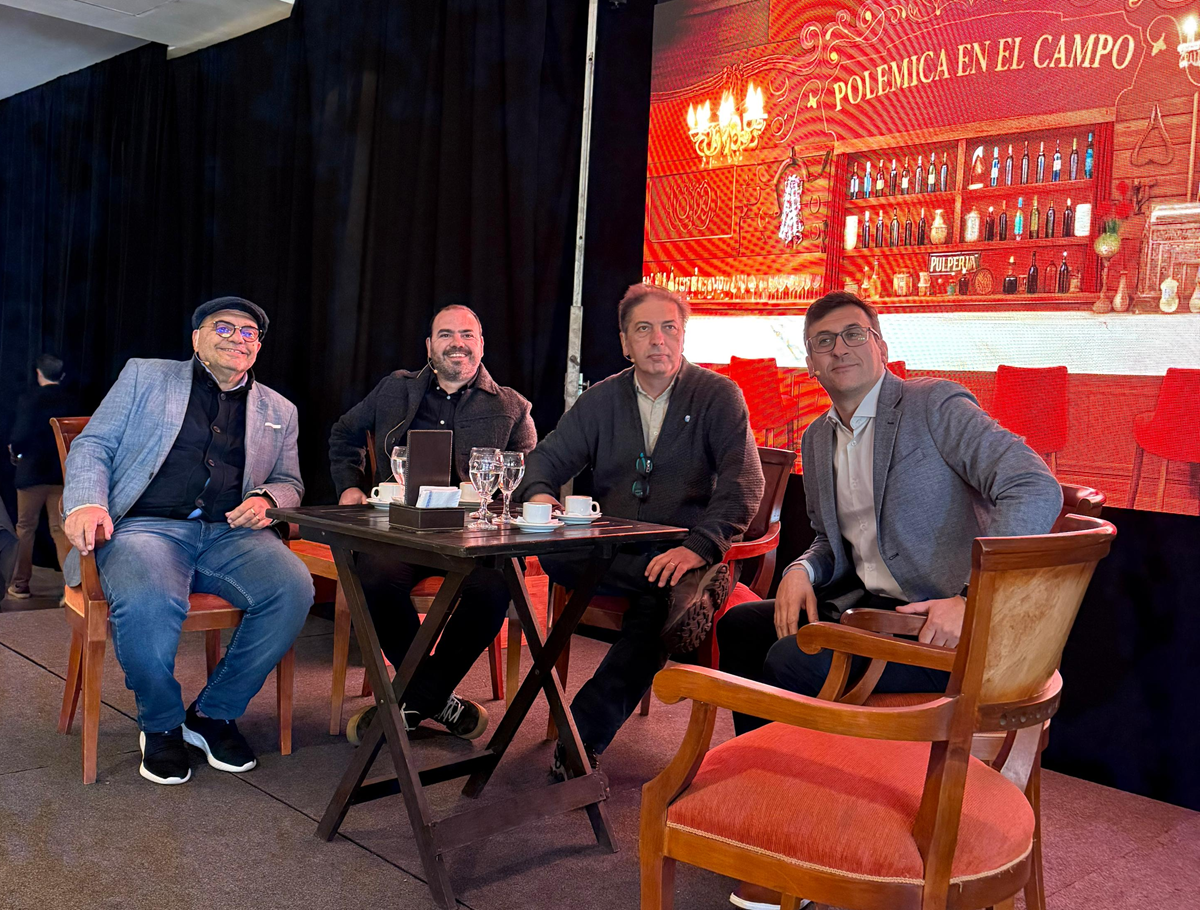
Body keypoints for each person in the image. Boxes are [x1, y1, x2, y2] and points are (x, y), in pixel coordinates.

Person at [715, 291, 1062, 910]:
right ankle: (775, 815)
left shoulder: (934, 406)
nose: (839, 348)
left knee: (791, 662)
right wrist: (799, 569)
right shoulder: (817, 438)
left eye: (854, 334)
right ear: (810, 363)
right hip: (874, 616)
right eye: (823, 341)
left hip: (947, 632)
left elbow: (1035, 487)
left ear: (880, 346)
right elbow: (830, 541)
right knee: (743, 627)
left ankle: (806, 844)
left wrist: (971, 597)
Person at [62, 297, 314, 786]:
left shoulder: (280, 409)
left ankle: (213, 714)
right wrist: (87, 503)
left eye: (248, 332)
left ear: (258, 348)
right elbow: (94, 444)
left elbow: (290, 482)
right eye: (224, 327)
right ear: (197, 337)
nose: (237, 337)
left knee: (292, 587)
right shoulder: (145, 376)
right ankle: (160, 723)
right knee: (151, 598)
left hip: (230, 533)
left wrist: (268, 498)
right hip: (146, 526)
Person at [518, 283, 765, 776]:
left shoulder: (718, 395)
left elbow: (744, 483)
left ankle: (580, 738)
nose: (658, 340)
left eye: (669, 328)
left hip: (682, 547)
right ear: (625, 342)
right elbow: (544, 459)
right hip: (612, 549)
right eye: (644, 329)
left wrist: (700, 548)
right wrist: (541, 493)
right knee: (556, 552)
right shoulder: (601, 399)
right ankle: (688, 589)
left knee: (656, 607)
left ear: (683, 334)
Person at [329, 304, 536, 744]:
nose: (457, 343)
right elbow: (344, 433)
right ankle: (438, 701)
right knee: (375, 576)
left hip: (471, 539)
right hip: (400, 531)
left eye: (466, 334)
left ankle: (414, 700)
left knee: (496, 586)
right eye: (445, 334)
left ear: (481, 345)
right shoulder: (394, 390)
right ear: (429, 346)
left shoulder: (512, 406)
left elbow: (527, 474)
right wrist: (349, 486)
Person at [6, 354, 81, 600]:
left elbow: (20, 435)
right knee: (61, 530)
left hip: (31, 473)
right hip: (62, 474)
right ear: (62, 375)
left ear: (39, 373)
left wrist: (15, 452)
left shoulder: (29, 399)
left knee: (25, 528)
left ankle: (20, 585)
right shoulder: (73, 401)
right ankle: (71, 589)